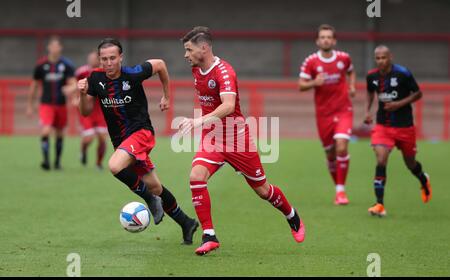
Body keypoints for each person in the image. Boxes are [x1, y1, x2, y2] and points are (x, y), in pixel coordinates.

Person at [179, 26, 305, 256]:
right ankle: (209, 235)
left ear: (204, 48)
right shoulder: (196, 70)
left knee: (262, 190)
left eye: (189, 49)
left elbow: (228, 106)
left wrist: (198, 121)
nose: (185, 55)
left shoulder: (225, 72)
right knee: (196, 176)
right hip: (213, 138)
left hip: (238, 140)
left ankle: (292, 215)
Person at [77, 38, 199, 244]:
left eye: (112, 58)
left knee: (115, 165)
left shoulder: (133, 73)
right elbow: (86, 112)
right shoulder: (95, 79)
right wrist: (81, 94)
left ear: (120, 57)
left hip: (142, 134)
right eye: (104, 59)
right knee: (155, 186)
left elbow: (160, 64)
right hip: (122, 144)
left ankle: (150, 201)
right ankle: (186, 222)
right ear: (99, 60)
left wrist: (166, 96)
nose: (108, 63)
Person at [365, 45, 432, 217]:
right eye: (377, 58)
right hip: (382, 127)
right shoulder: (371, 76)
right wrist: (368, 111)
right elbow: (370, 93)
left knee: (410, 164)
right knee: (381, 159)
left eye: (383, 57)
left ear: (390, 57)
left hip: (404, 127)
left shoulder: (403, 73)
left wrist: (398, 104)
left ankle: (423, 180)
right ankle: (379, 204)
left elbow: (418, 94)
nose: (381, 61)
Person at [298, 24, 356, 205]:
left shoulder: (344, 58)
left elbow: (351, 71)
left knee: (341, 147)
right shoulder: (311, 61)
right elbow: (301, 85)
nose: (326, 40)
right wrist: (315, 82)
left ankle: (341, 191)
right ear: (317, 41)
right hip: (323, 114)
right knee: (331, 154)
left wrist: (352, 86)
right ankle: (338, 187)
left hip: (343, 109)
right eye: (322, 37)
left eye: (329, 37)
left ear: (334, 40)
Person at [27, 36, 77, 170]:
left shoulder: (67, 65)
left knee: (60, 133)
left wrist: (72, 92)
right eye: (52, 46)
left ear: (60, 48)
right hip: (46, 104)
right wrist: (30, 106)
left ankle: (57, 161)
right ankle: (46, 161)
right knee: (46, 130)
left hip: (61, 104)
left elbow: (73, 83)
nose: (55, 48)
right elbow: (34, 86)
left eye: (57, 46)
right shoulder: (41, 65)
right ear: (48, 47)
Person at [73, 50, 108, 169]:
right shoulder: (82, 71)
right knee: (89, 138)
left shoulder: (105, 73)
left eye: (94, 58)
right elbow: (75, 84)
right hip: (87, 109)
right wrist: (75, 97)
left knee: (103, 137)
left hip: (100, 110)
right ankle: (83, 150)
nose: (92, 60)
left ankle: (98, 163)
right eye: (90, 58)